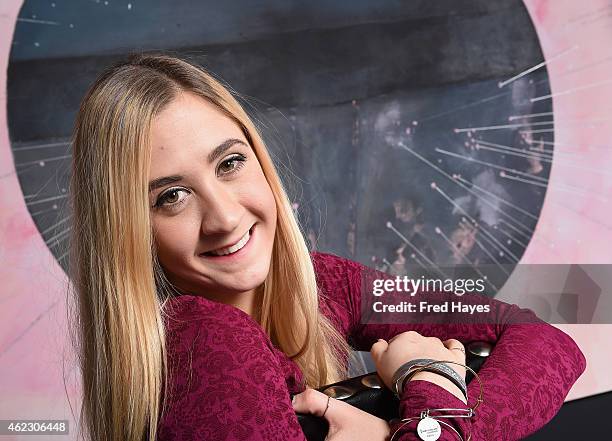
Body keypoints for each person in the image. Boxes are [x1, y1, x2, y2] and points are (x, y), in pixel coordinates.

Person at [68, 53, 586, 441]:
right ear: (127, 230)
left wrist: (423, 429)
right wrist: (428, 385)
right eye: (172, 197)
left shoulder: (321, 283)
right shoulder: (203, 342)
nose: (225, 218)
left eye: (230, 164)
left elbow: (544, 341)